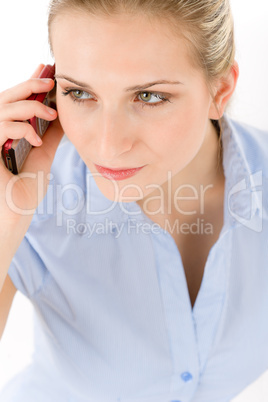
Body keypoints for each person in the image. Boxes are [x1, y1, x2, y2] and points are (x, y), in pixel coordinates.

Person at [0, 0, 267, 401]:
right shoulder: (32, 197)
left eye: (149, 96)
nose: (108, 144)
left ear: (221, 89)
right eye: (79, 92)